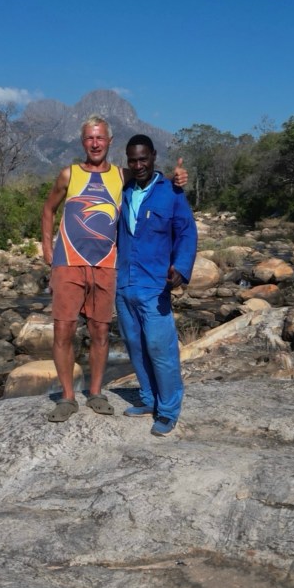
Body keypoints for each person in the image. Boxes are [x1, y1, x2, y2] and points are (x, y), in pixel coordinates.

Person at [41, 115, 185, 422]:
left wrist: (178, 179)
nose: (95, 144)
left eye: (100, 138)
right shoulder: (69, 174)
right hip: (68, 263)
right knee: (63, 330)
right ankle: (67, 397)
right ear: (83, 142)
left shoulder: (122, 176)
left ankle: (95, 392)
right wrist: (46, 247)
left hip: (107, 266)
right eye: (89, 139)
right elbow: (48, 209)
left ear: (109, 142)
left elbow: (151, 178)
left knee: (101, 331)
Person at [115, 134, 197, 436]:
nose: (138, 165)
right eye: (133, 160)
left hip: (154, 285)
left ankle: (168, 410)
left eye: (143, 158)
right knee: (135, 346)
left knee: (160, 348)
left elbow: (187, 233)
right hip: (124, 283)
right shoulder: (122, 189)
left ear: (153, 157)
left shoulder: (171, 192)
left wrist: (182, 268)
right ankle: (149, 400)